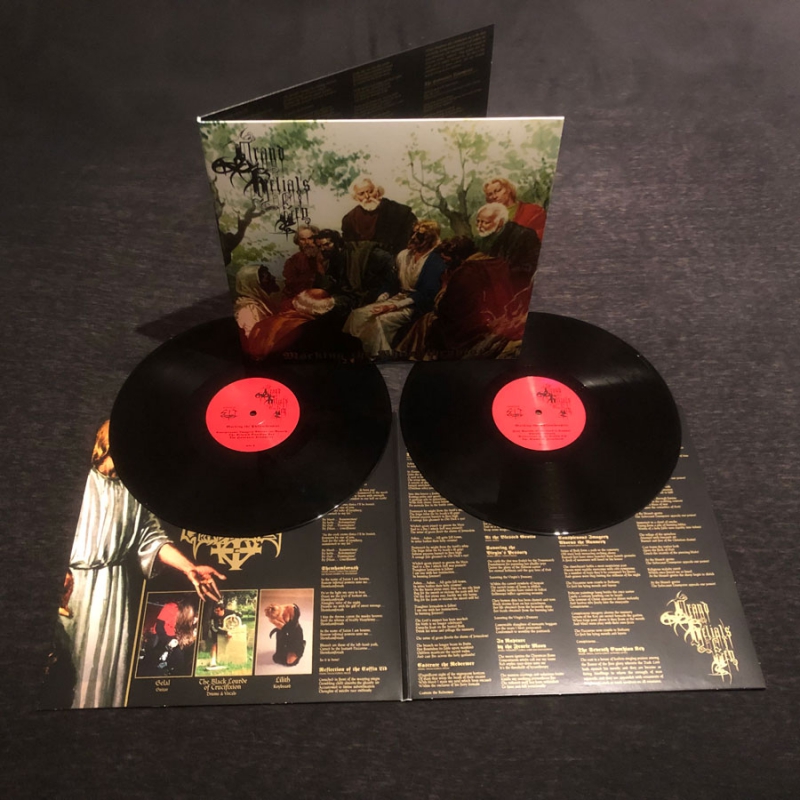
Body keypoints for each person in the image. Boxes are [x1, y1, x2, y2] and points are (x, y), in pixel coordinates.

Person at [54, 421, 225, 707]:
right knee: (64, 665)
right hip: (71, 585)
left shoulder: (133, 490)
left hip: (112, 591)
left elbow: (151, 538)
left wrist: (188, 567)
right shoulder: (80, 480)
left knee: (103, 673)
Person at [343, 220, 445, 357]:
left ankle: (381, 357)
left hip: (415, 305)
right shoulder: (403, 255)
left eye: (419, 235)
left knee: (378, 321)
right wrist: (382, 298)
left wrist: (392, 306)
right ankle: (356, 353)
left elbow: (426, 294)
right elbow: (391, 282)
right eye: (413, 233)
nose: (413, 237)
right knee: (358, 314)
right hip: (397, 298)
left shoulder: (435, 261)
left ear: (430, 238)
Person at [341, 176, 417, 255]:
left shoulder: (400, 212)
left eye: (370, 191)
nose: (367, 196)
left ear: (377, 191)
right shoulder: (349, 219)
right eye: (361, 194)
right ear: (356, 197)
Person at [483, 177, 547, 241]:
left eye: (498, 191)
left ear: (508, 190)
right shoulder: (488, 217)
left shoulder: (534, 211)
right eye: (490, 194)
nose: (494, 196)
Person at [281, 224, 322, 303]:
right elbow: (291, 287)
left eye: (310, 238)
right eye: (302, 239)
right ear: (298, 242)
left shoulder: (325, 257)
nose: (307, 242)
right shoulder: (292, 261)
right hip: (301, 300)